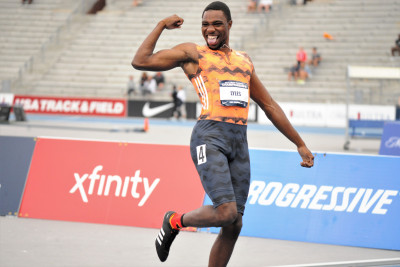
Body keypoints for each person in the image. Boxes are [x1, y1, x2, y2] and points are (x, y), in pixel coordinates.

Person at [131, 2, 314, 266]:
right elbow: (140, 61)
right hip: (209, 136)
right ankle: (174, 221)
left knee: (234, 223)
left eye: (217, 23)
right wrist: (161, 25)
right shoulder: (193, 53)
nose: (210, 30)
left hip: (239, 141)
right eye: (205, 24)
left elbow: (269, 105)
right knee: (225, 212)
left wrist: (300, 143)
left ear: (229, 25)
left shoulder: (244, 61)